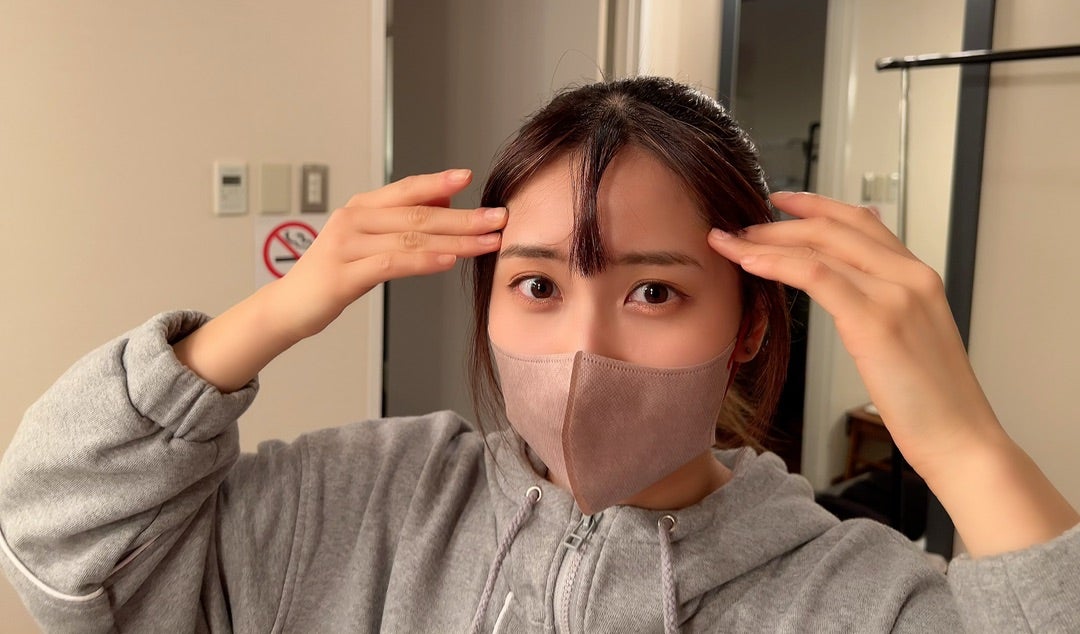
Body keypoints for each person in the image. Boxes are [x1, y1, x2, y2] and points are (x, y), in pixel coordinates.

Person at [1, 77, 1077, 633]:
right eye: (538, 287)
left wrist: (962, 443)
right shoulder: (356, 505)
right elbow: (62, 541)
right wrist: (276, 313)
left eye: (653, 292)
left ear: (749, 325)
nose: (582, 349)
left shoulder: (858, 601)